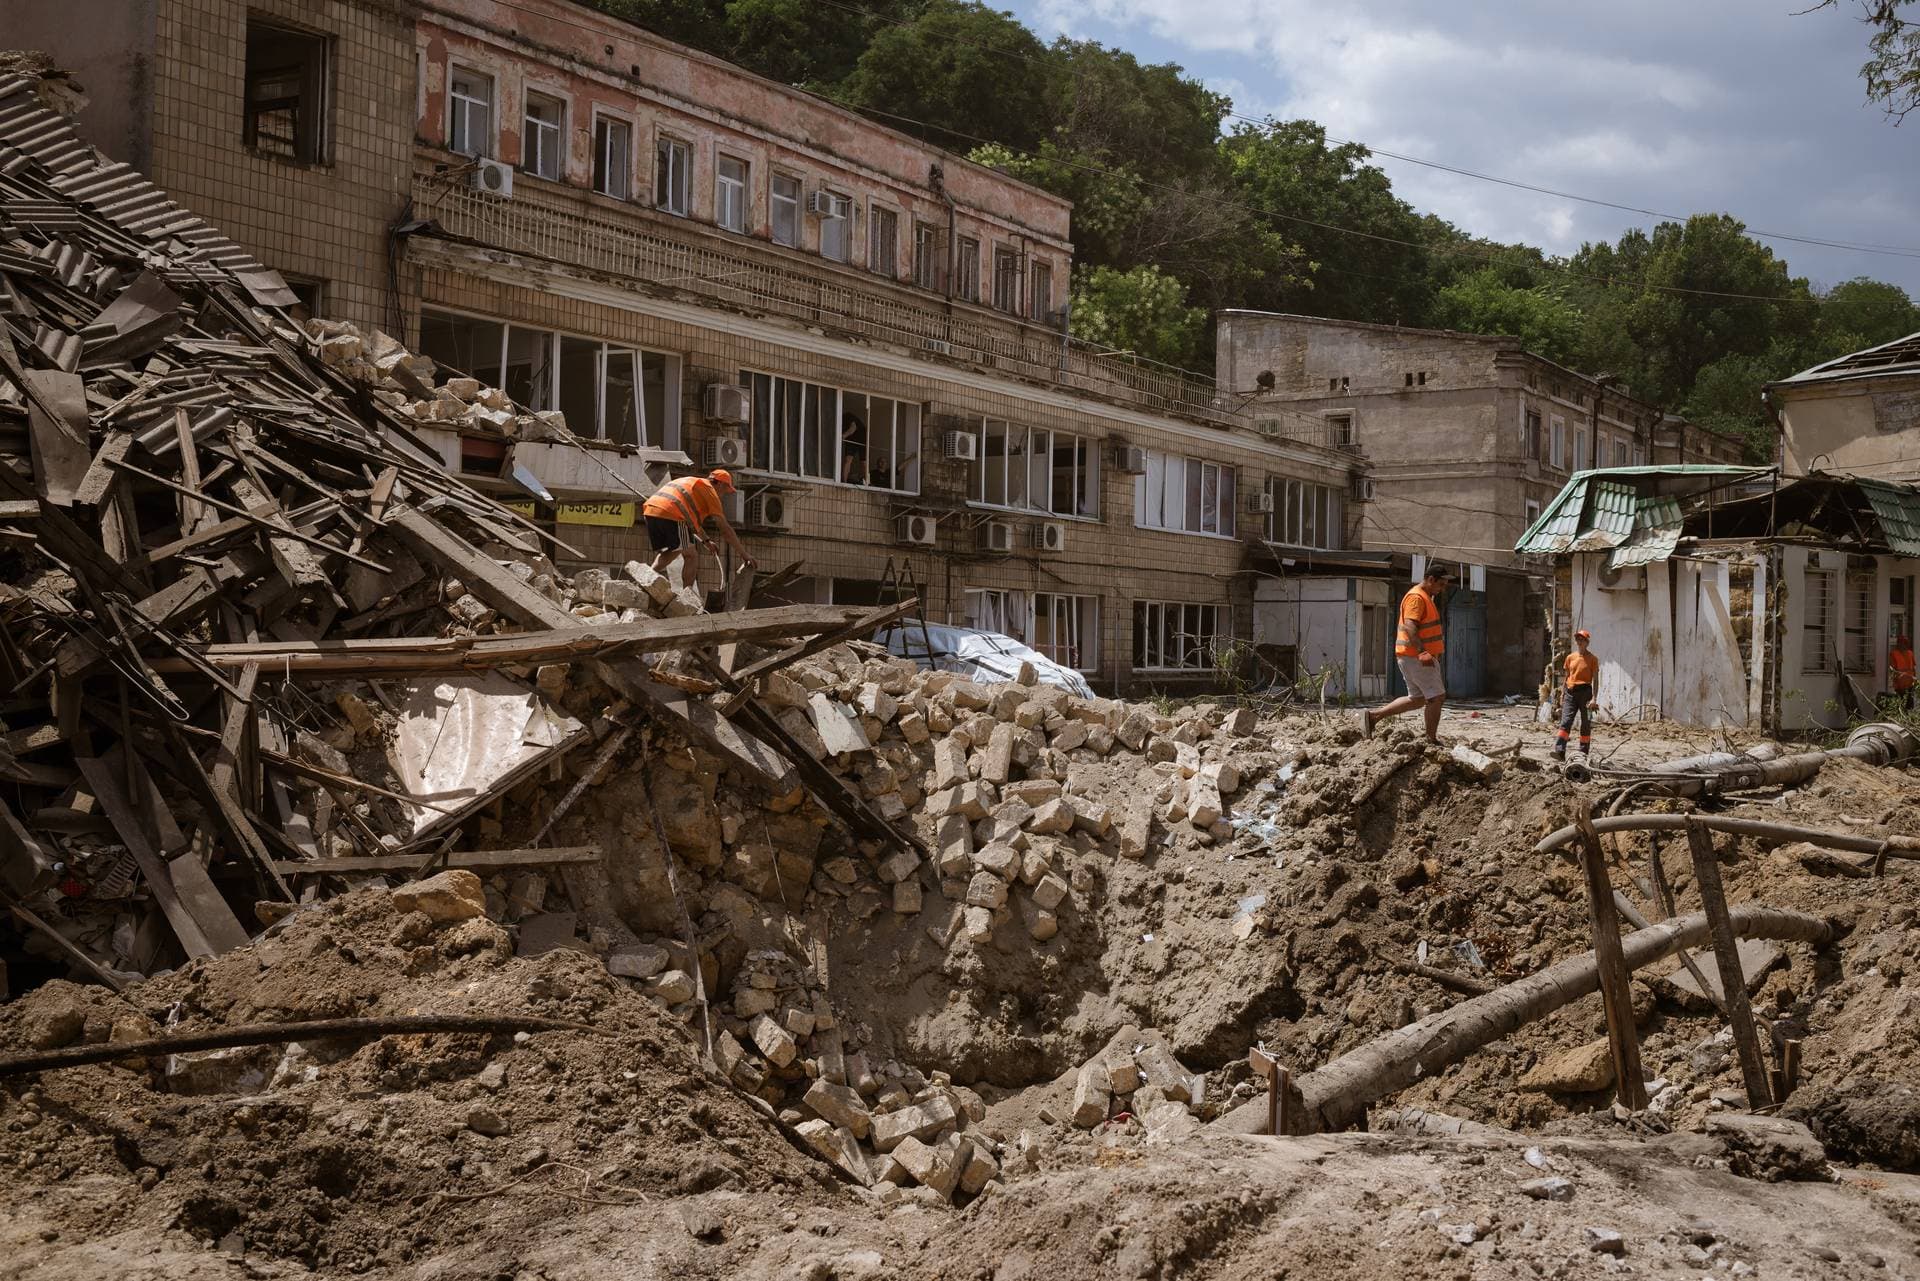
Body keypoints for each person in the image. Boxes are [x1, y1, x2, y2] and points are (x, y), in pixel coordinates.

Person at [1362, 563, 1453, 743]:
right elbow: (1410, 625)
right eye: (1441, 585)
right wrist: (1422, 652)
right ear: (1430, 580)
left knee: (1418, 699)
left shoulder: (1423, 596)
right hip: (1417, 657)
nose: (1442, 589)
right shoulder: (1417, 598)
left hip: (1411, 657)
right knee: (1436, 697)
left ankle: (1373, 717)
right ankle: (1430, 739)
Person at [641, 468, 754, 598]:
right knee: (684, 551)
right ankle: (684, 596)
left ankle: (652, 579)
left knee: (683, 551)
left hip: (651, 511)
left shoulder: (692, 482)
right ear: (720, 484)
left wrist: (706, 541)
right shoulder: (710, 491)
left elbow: (692, 522)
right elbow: (725, 529)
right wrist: (744, 555)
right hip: (672, 513)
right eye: (724, 491)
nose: (722, 495)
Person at [1553, 629, 1598, 761]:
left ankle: (1583, 754)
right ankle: (1559, 751)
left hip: (1586, 694)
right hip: (1570, 694)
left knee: (1586, 723)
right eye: (1578, 639)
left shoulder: (1593, 659)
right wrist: (1562, 695)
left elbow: (1596, 680)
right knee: (1566, 721)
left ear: (1587, 642)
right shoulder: (1570, 658)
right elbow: (1566, 678)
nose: (1579, 642)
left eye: (1582, 639)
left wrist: (1594, 698)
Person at [1890, 634, 1915, 712]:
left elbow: (1913, 668)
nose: (1903, 645)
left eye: (1905, 643)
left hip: (1910, 685)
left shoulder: (1910, 653)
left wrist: (1915, 681)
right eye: (1901, 643)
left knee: (1909, 706)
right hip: (1900, 686)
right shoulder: (1894, 654)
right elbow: (1893, 669)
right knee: (1901, 706)